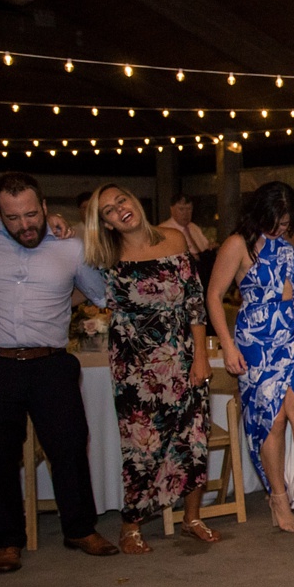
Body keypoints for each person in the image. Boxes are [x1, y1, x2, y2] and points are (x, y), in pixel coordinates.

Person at [0, 172, 116, 573]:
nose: (25, 225)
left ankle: (80, 528)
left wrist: (60, 294)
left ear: (45, 208)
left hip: (50, 364)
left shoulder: (71, 247)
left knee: (69, 448)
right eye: (13, 218)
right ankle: (6, 542)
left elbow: (101, 293)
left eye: (31, 214)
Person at [83, 183, 218, 552]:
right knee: (142, 446)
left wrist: (201, 356)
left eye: (121, 200)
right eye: (108, 210)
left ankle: (192, 518)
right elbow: (79, 288)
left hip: (181, 356)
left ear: (134, 199)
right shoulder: (105, 256)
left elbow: (194, 300)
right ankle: (131, 524)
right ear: (106, 223)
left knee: (192, 439)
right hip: (135, 368)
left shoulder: (174, 239)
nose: (119, 210)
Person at [206, 181, 294, 533]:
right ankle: (279, 497)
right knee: (272, 421)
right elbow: (214, 296)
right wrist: (228, 345)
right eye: (275, 220)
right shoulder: (237, 245)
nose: (280, 227)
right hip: (259, 341)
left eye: (287, 222)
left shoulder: (288, 244)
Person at [159, 192, 217, 281]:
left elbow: (205, 247)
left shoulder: (194, 228)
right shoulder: (164, 230)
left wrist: (211, 247)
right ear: (172, 209)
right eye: (181, 209)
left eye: (189, 209)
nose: (186, 213)